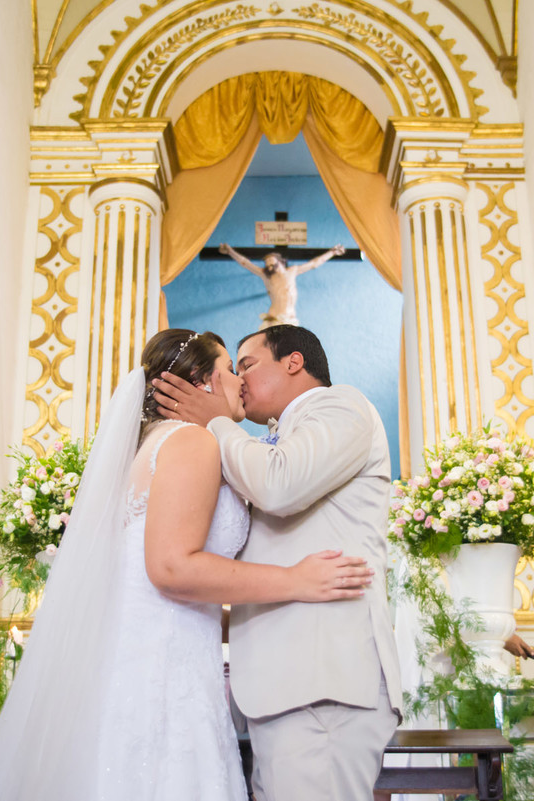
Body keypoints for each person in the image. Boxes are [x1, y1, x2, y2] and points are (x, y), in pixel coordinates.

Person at [0, 328, 373, 801]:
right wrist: (295, 580)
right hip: (163, 669)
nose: (240, 383)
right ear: (200, 382)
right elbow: (172, 569)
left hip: (152, 657)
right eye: (230, 369)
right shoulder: (191, 443)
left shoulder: (151, 446)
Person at [153, 324, 402, 801]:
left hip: (324, 685)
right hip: (283, 688)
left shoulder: (341, 405)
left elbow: (280, 487)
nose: (240, 380)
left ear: (293, 362)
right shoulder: (263, 442)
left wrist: (217, 423)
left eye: (246, 364)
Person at [218, 242, 345, 329]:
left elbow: (314, 263)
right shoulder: (266, 275)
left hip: (290, 318)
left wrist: (332, 253)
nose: (269, 266)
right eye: (267, 264)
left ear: (280, 262)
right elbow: (245, 263)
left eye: (272, 263)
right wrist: (230, 251)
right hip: (274, 318)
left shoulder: (292, 271)